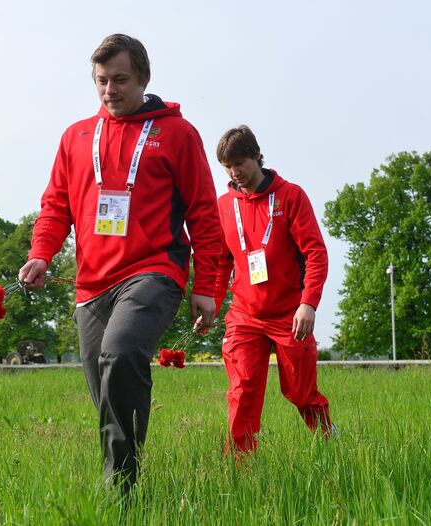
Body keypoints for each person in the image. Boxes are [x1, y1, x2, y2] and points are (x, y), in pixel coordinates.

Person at [18, 34, 220, 492]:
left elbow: (204, 214)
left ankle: (119, 490)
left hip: (155, 271)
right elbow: (55, 206)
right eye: (101, 81)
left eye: (120, 79)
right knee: (105, 386)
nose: (110, 89)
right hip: (91, 285)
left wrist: (205, 285)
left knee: (122, 351)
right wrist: (39, 255)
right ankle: (128, 478)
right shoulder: (76, 137)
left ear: (144, 78)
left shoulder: (177, 134)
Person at [211, 125, 335, 455]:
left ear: (256, 156)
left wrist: (308, 303)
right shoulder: (223, 206)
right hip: (244, 316)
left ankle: (330, 441)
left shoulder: (291, 196)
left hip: (289, 315)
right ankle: (240, 467)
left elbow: (315, 253)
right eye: (227, 166)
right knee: (243, 389)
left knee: (300, 393)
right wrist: (212, 302)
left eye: (240, 163)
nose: (235, 172)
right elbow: (221, 263)